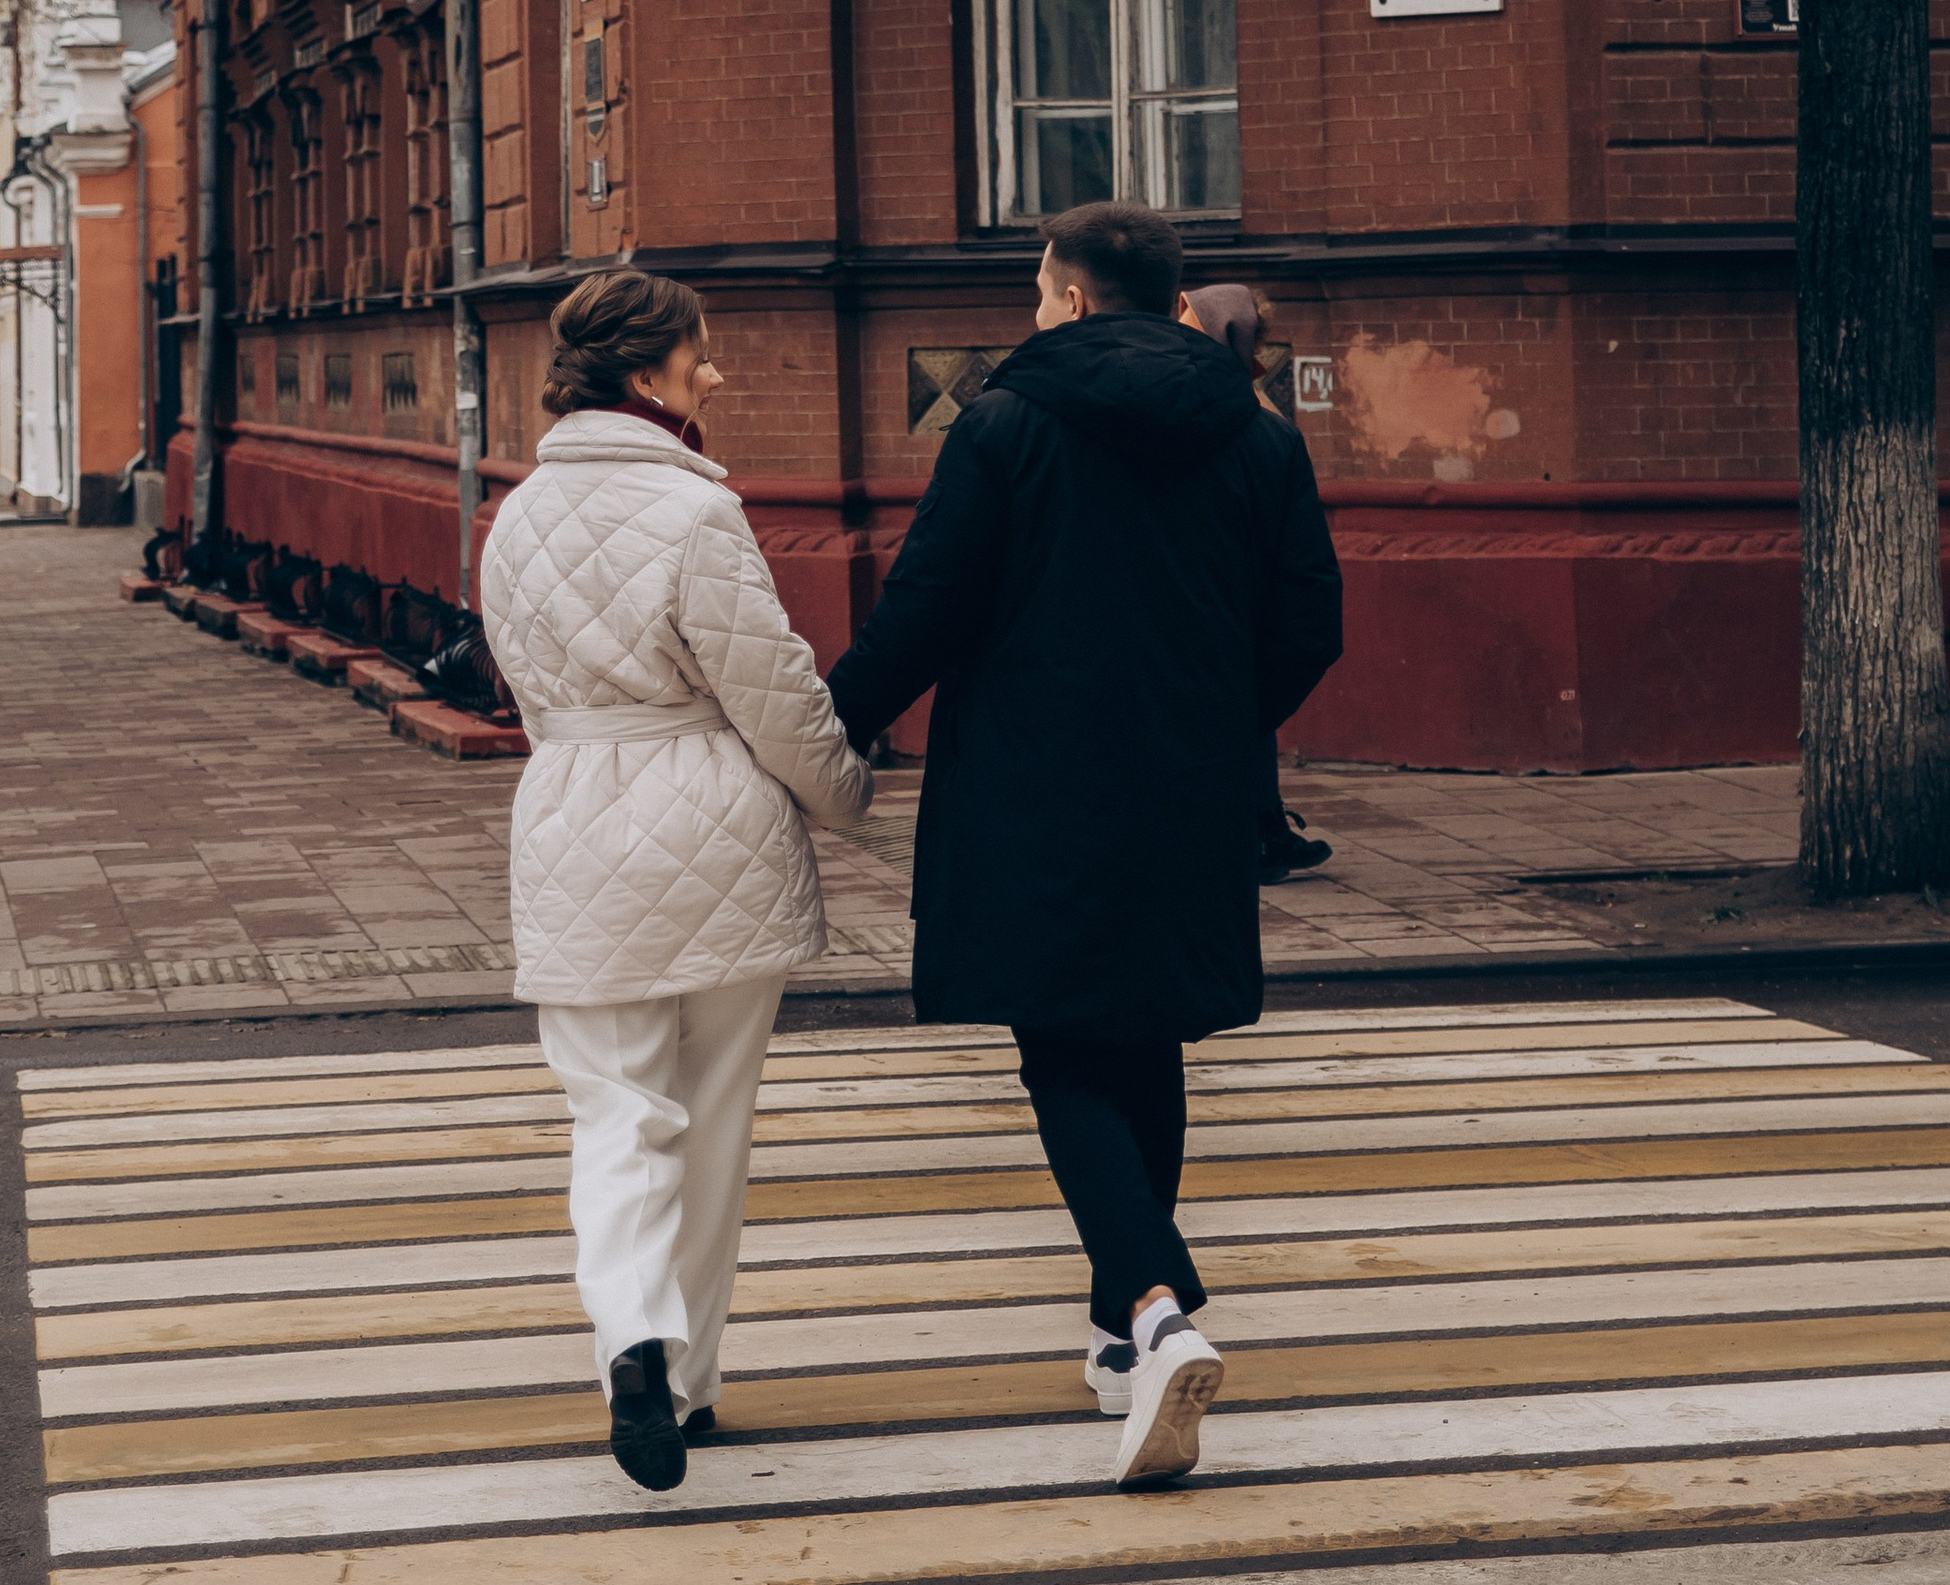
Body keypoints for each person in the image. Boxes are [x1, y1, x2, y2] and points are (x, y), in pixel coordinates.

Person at [828, 200, 1343, 1489]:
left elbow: (927, 607)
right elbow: (1308, 622)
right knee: (1144, 1032)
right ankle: (1119, 1333)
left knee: (1059, 1039)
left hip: (1033, 785)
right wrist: (1221, 724)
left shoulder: (1003, 420)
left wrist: (825, 729)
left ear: (1059, 294)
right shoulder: (1258, 432)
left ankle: (1160, 1308)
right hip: (1189, 784)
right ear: (1174, 301)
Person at [480, 265, 874, 1493]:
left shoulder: (514, 514)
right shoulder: (695, 514)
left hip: (570, 828)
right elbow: (771, 691)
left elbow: (525, 687)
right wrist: (849, 801)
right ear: (647, 373)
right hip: (709, 829)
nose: (716, 373)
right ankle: (686, 1382)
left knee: (614, 1116)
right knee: (709, 1127)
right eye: (701, 354)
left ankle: (629, 1344)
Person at [1180, 286, 1334, 880]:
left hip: (1228, 601)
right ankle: (1262, 832)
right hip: (1233, 606)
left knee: (1242, 724)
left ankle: (1261, 833)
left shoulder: (1245, 417)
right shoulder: (1251, 410)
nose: (1175, 324)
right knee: (1245, 724)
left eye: (1188, 318)